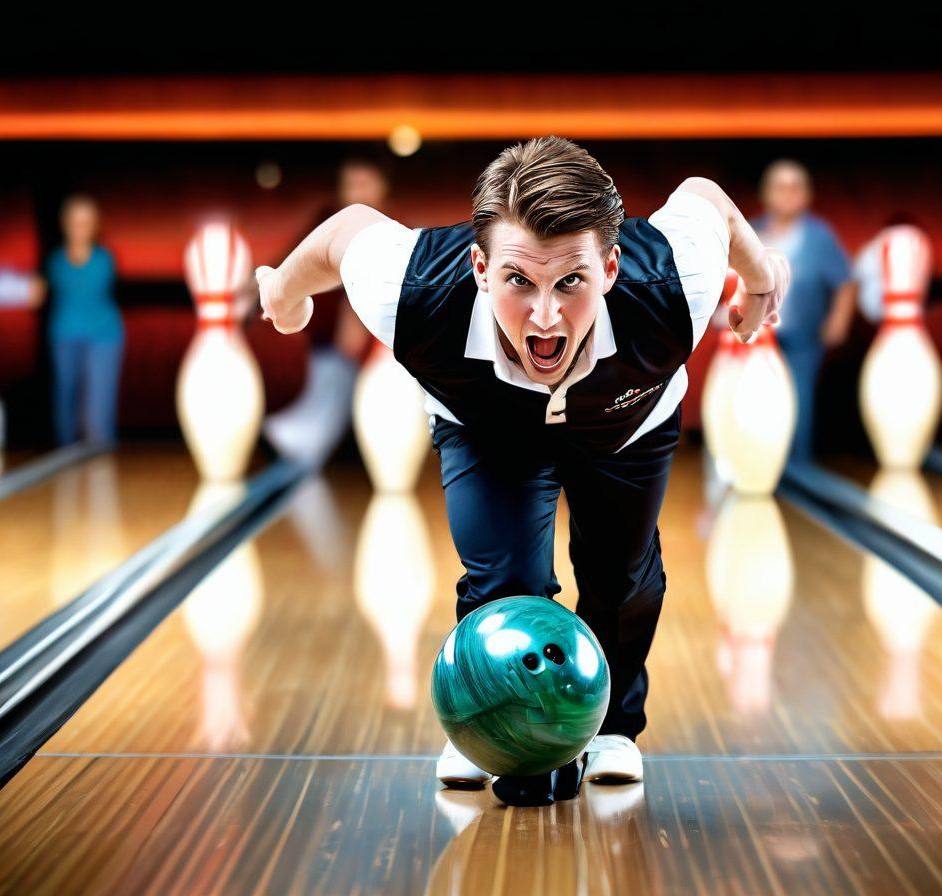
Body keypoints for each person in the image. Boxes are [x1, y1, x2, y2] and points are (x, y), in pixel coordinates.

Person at [256, 136, 788, 797]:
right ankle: (488, 728)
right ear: (479, 268)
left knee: (620, 577)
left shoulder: (674, 280)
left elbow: (706, 197)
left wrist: (761, 277)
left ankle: (612, 726)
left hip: (628, 422)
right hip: (486, 425)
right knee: (505, 581)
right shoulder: (417, 291)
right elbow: (348, 233)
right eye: (518, 280)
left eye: (571, 281)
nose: (544, 317)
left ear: (613, 268)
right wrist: (283, 289)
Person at [261, 156, 392, 469]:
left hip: (373, 356)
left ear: (382, 187)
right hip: (328, 350)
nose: (358, 192)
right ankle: (303, 445)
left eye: (365, 183)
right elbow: (289, 269)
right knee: (332, 373)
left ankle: (312, 448)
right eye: (352, 185)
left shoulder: (391, 228)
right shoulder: (325, 224)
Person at [751, 160, 852, 464]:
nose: (787, 194)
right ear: (766, 194)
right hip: (755, 337)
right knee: (757, 401)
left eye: (795, 187)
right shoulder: (751, 231)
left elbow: (846, 281)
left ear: (807, 195)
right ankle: (759, 464)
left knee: (798, 399)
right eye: (779, 187)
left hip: (802, 336)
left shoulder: (819, 236)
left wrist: (838, 320)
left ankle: (797, 467)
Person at [34, 194, 124, 448]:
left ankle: (102, 462)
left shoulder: (105, 259)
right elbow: (37, 295)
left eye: (86, 221)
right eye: (75, 221)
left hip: (104, 335)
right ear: (65, 223)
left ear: (95, 226)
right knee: (66, 398)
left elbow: (93, 287)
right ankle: (66, 459)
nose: (79, 227)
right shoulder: (53, 262)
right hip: (64, 334)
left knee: (99, 409)